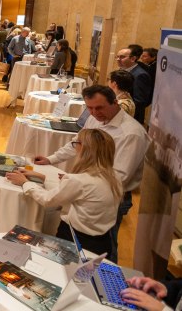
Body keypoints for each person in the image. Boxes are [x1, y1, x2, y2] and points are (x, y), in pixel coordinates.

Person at [32, 85, 149, 262]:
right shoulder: (95, 119)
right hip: (87, 188)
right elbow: (76, 143)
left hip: (112, 197)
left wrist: (80, 181)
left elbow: (119, 178)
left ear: (115, 103)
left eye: (99, 107)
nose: (94, 113)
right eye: (90, 108)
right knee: (76, 253)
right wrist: (51, 159)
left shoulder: (132, 134)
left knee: (102, 252)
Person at [8, 129, 122, 256]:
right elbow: (70, 192)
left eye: (75, 144)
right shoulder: (114, 177)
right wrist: (42, 177)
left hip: (74, 240)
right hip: (102, 242)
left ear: (84, 148)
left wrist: (25, 183)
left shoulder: (79, 180)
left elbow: (48, 200)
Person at [116, 46, 153, 125]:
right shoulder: (122, 70)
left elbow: (139, 101)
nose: (118, 59)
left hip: (131, 118)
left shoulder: (140, 75)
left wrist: (122, 106)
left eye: (122, 57)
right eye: (117, 57)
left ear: (133, 59)